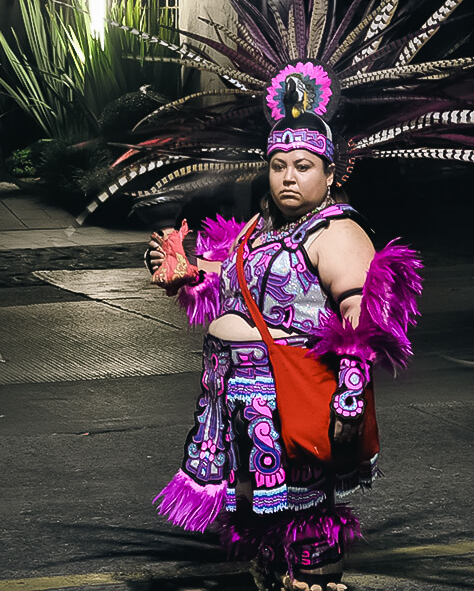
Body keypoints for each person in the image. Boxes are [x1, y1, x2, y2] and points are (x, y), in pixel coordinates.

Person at [145, 111, 422, 591]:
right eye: (277, 165)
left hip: (291, 395)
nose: (287, 176)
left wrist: (349, 399)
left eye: (303, 165)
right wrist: (187, 271)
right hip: (231, 397)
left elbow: (361, 317)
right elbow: (230, 280)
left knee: (307, 510)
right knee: (261, 517)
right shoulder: (261, 227)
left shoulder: (337, 231)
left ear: (330, 173)